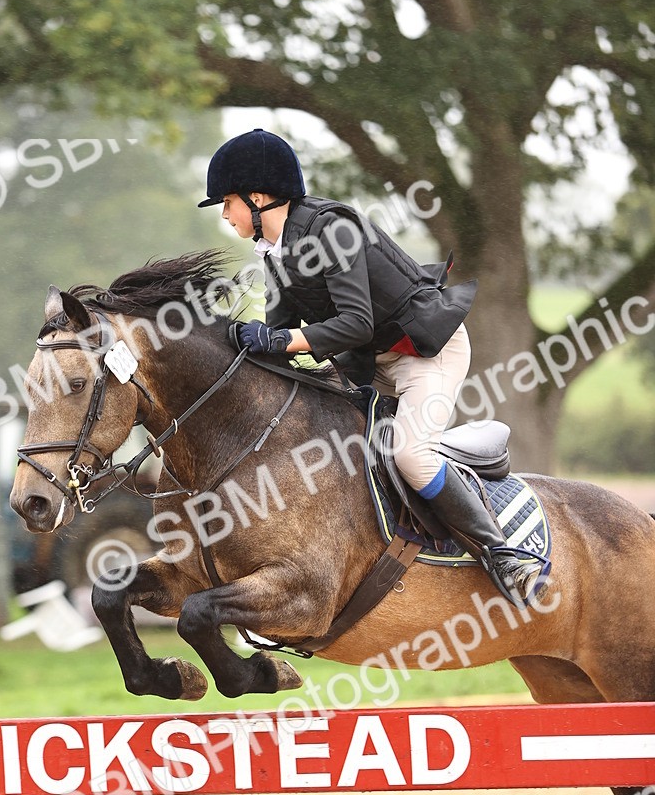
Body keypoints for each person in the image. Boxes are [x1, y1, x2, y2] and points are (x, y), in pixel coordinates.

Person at [198, 128, 543, 606]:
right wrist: (233, 345)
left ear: (257, 198)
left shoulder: (331, 230)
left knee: (410, 454)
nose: (224, 213)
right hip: (368, 362)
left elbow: (356, 323)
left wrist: (279, 340)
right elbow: (280, 336)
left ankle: (504, 555)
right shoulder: (276, 251)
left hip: (425, 354)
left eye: (227, 202)